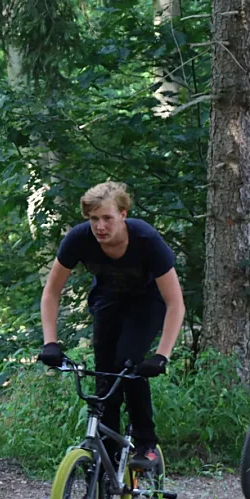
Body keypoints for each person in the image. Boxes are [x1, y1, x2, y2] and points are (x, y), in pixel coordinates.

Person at [37, 181, 185, 470]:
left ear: (123, 214)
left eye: (107, 218)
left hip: (148, 301)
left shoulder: (146, 239)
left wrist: (161, 356)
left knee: (128, 364)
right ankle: (106, 460)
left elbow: (175, 303)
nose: (100, 227)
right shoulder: (78, 239)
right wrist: (50, 342)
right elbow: (51, 292)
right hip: (108, 300)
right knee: (105, 378)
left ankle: (146, 443)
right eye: (94, 219)